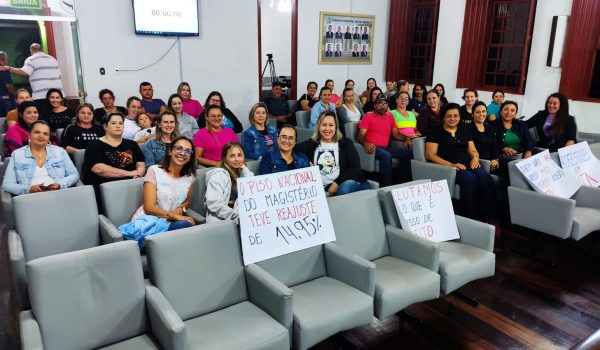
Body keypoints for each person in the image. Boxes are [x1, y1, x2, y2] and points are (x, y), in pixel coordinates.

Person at [425, 103, 498, 227]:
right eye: (449, 116)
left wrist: (475, 158)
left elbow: (473, 150)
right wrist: (451, 165)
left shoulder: (464, 129)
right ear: (443, 117)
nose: (453, 119)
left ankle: (491, 217)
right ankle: (472, 219)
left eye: (456, 116)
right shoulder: (436, 131)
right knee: (470, 180)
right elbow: (430, 155)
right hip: (450, 169)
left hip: (469, 164)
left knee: (486, 179)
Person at [120, 136, 196, 245]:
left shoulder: (190, 177)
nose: (183, 153)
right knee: (185, 227)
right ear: (170, 151)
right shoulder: (154, 170)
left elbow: (186, 202)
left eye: (188, 151)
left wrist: (179, 211)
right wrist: (174, 216)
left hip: (169, 221)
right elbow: (149, 207)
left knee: (187, 227)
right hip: (150, 220)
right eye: (178, 148)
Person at [296, 111, 369, 196]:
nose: (327, 129)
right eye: (324, 125)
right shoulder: (311, 144)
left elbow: (355, 168)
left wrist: (337, 183)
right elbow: (291, 149)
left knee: (344, 188)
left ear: (336, 127)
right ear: (318, 126)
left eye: (331, 125)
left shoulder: (345, 143)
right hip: (325, 188)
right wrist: (305, 161)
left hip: (351, 183)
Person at [84, 112, 145, 208]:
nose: (118, 126)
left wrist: (138, 174)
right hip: (106, 191)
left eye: (121, 123)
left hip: (132, 187)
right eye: (113, 123)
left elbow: (141, 164)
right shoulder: (94, 145)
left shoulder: (132, 144)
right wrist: (129, 173)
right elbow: (99, 169)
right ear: (105, 126)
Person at [3, 120, 79, 196]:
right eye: (37, 132)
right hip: (30, 197)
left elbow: (74, 174)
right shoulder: (17, 154)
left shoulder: (60, 152)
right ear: (29, 134)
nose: (41, 136)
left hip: (58, 194)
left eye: (45, 134)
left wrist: (60, 185)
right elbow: (8, 184)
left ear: (49, 137)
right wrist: (29, 189)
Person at [357, 96, 413, 186]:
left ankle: (400, 183)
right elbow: (360, 135)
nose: (382, 106)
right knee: (386, 156)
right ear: (375, 105)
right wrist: (365, 144)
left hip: (386, 148)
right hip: (374, 147)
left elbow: (396, 134)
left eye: (385, 103)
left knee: (409, 154)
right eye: (380, 103)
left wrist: (407, 137)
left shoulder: (390, 116)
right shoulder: (369, 116)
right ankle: (387, 186)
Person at [205, 142, 254, 223]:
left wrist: (245, 170)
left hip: (243, 216)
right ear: (225, 158)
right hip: (223, 219)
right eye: (232, 156)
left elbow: (254, 191)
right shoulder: (218, 175)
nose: (237, 159)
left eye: (239, 155)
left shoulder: (242, 171)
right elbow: (215, 204)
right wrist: (236, 217)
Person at [470, 101, 499, 174]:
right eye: (478, 112)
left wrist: (495, 159)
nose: (481, 114)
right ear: (472, 114)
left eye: (483, 111)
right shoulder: (468, 129)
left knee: (512, 165)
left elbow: (494, 146)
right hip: (480, 161)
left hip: (492, 161)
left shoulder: (490, 128)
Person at [0, 51, 15, 118]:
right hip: (6, 98)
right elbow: (8, 86)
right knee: (11, 118)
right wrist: (15, 94)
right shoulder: (3, 69)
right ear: (3, 59)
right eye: (6, 59)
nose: (7, 61)